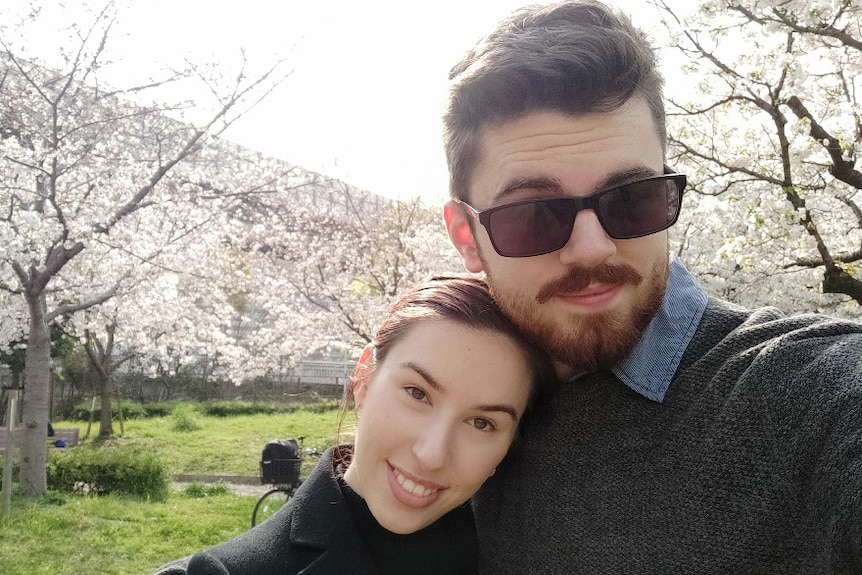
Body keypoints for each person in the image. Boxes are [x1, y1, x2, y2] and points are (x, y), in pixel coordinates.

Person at [441, 1, 862, 573]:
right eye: (535, 213)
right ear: (467, 236)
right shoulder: (445, 402)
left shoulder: (812, 398)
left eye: (631, 198)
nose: (592, 248)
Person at [154, 275, 555, 575]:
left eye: (482, 423)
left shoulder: (530, 557)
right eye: (417, 394)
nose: (432, 455)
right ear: (363, 378)